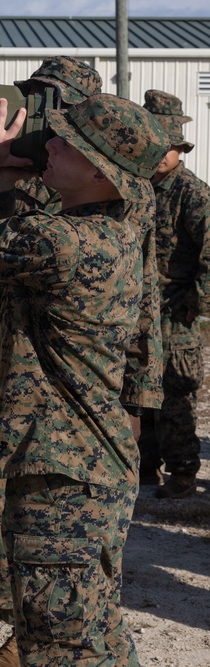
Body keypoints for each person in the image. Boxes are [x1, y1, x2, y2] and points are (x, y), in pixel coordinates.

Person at [0, 56, 165, 667]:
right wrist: (0, 188)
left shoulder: (70, 242)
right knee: (88, 631)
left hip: (64, 475)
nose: (50, 144)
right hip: (75, 468)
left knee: (62, 641)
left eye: (69, 145)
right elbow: (4, 249)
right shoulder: (96, 234)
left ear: (103, 175)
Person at [139, 89, 210, 499]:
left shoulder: (192, 193)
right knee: (140, 389)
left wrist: (195, 304)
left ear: (181, 148)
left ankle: (183, 474)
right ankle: (146, 467)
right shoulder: (138, 187)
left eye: (171, 146)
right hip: (142, 309)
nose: (163, 154)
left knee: (176, 394)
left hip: (175, 310)